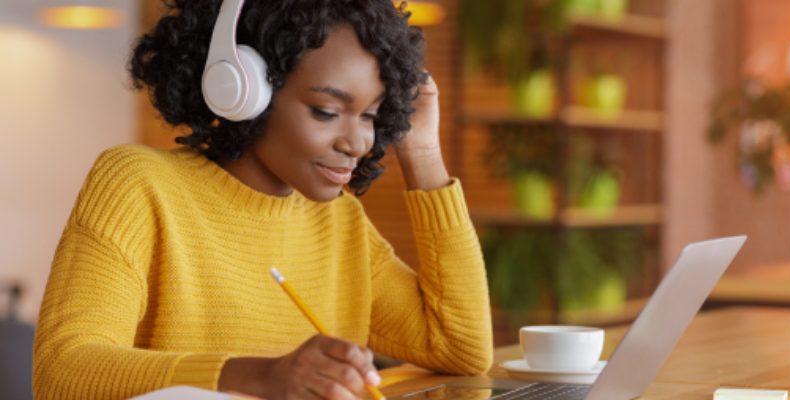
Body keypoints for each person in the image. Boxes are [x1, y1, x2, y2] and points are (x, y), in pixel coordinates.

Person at [31, 1, 493, 399]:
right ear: (243, 89)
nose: (358, 143)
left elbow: (461, 348)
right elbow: (63, 373)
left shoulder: (339, 221)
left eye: (371, 116)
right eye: (327, 112)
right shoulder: (138, 185)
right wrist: (262, 377)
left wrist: (423, 152)